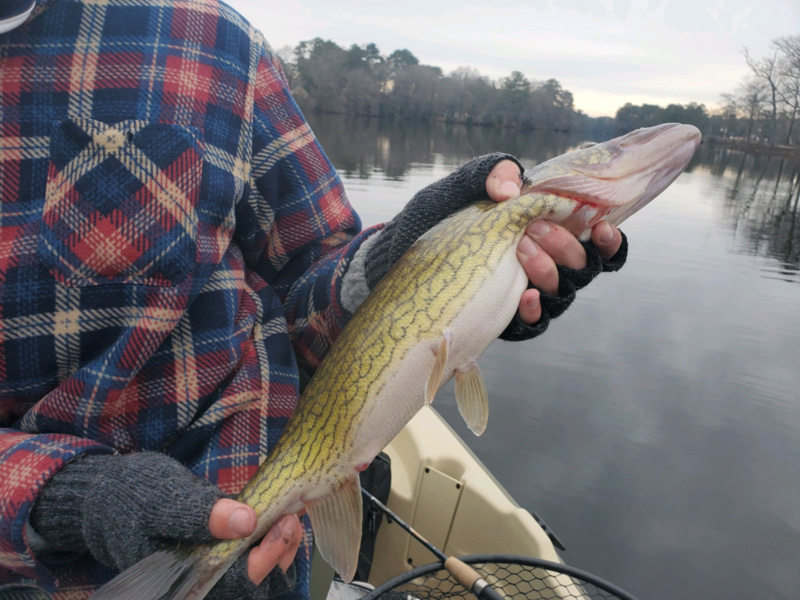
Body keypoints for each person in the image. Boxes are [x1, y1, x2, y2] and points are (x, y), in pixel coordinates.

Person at [0, 0, 625, 598]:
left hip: (270, 552)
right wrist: (69, 500)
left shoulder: (209, 38)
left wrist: (410, 264)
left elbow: (309, 277)